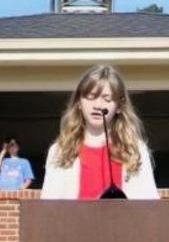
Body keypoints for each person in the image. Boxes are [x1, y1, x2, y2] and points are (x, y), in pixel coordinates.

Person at [41, 65, 158, 200]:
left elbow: (151, 205)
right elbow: (48, 209)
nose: (97, 105)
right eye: (90, 97)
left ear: (119, 106)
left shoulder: (135, 150)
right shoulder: (59, 151)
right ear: (78, 102)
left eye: (107, 99)